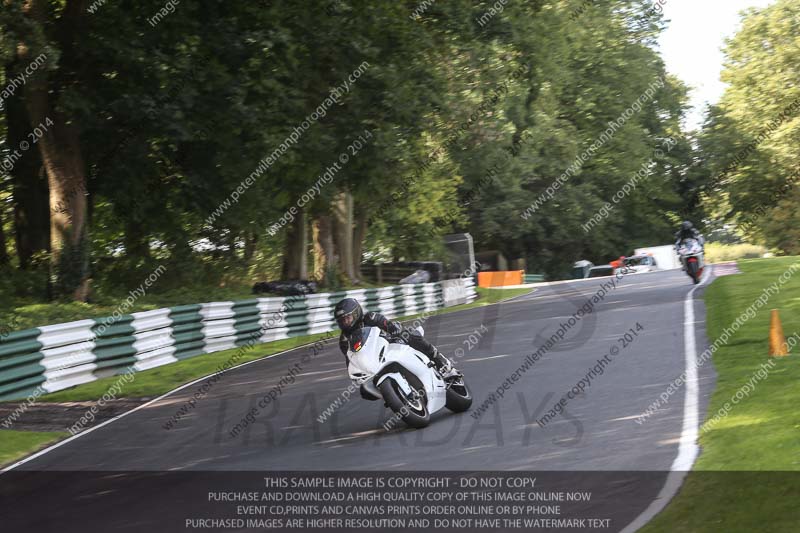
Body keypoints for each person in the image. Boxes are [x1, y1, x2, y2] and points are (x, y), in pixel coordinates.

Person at [334, 298, 456, 376]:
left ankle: (438, 358)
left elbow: (386, 323)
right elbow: (351, 359)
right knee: (366, 392)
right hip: (375, 362)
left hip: (391, 344)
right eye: (342, 321)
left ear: (356, 313)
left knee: (406, 334)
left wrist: (393, 328)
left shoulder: (370, 318)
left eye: (347, 318)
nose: (345, 323)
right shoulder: (344, 340)